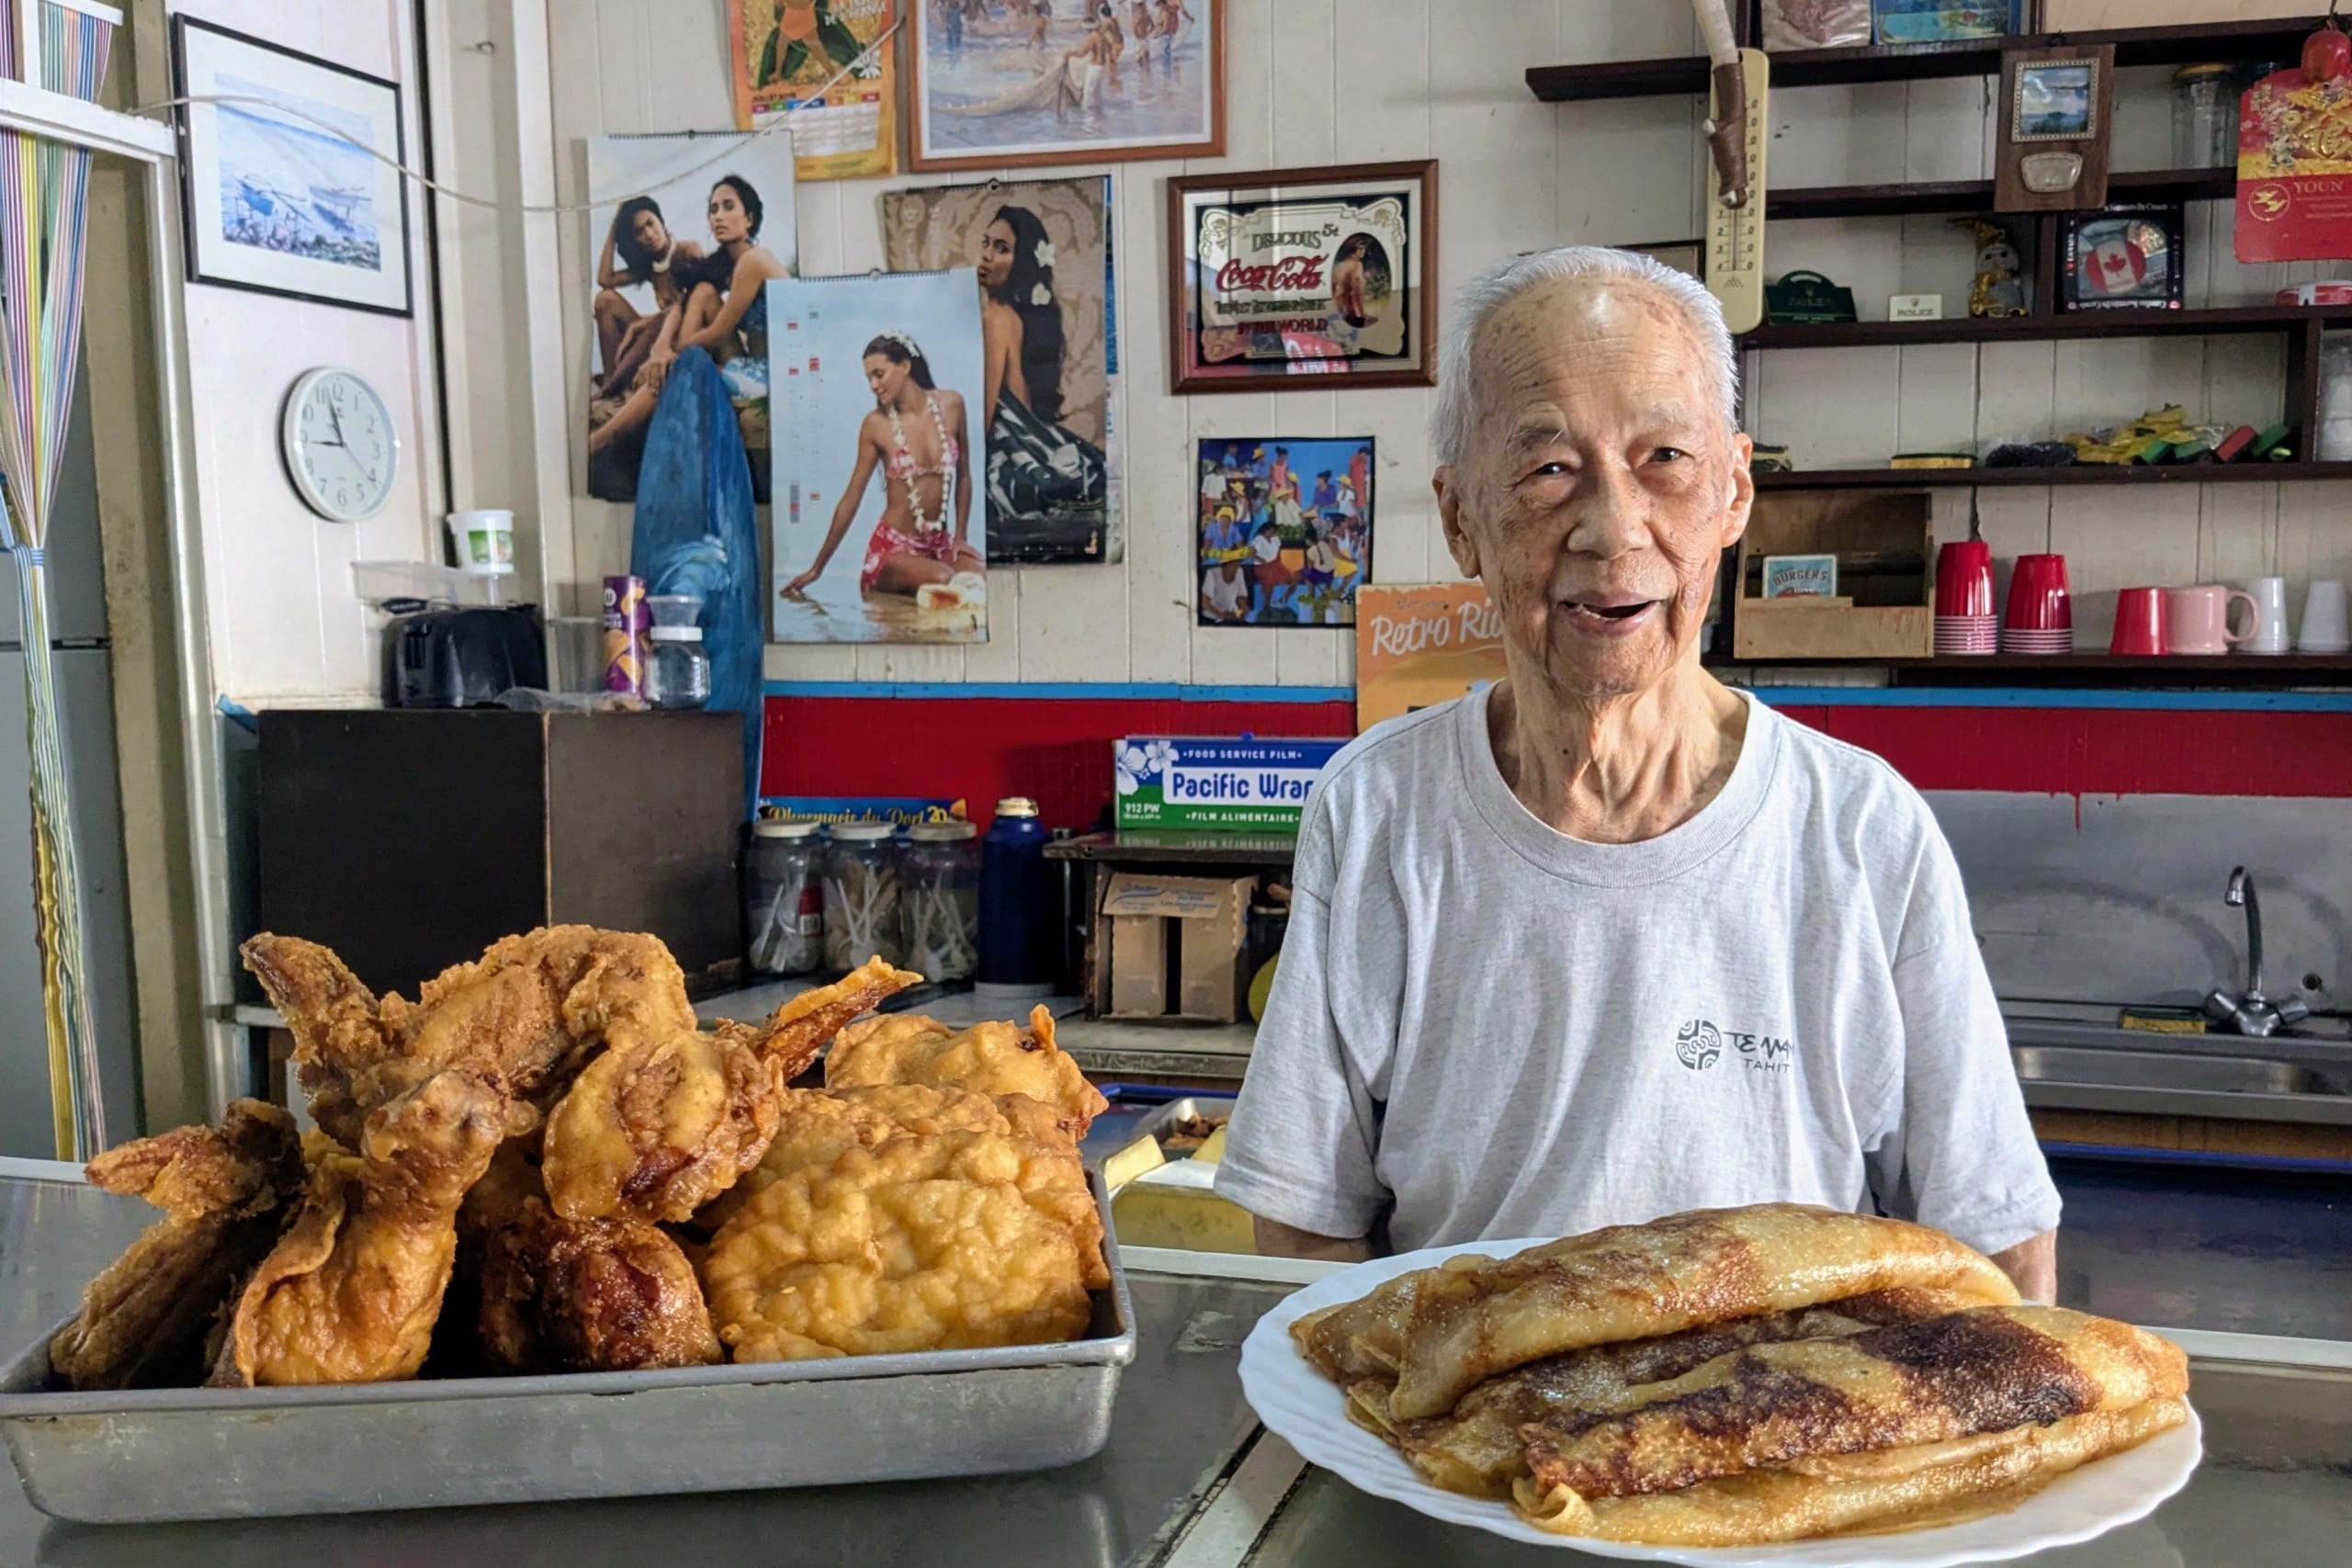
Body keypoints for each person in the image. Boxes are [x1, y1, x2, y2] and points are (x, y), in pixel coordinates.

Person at [1215, 245, 2061, 1303]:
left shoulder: (1858, 828)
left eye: (1664, 458)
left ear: (1734, 491)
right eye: (1547, 470)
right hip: (1468, 1405)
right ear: (1460, 519)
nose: (1613, 529)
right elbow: (1304, 1229)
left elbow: (1997, 1250)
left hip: (1787, 1400)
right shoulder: (1379, 811)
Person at [589, 175, 785, 462]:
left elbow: (718, 332)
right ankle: (625, 396)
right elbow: (686, 301)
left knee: (677, 369)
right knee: (703, 291)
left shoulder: (753, 261)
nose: (719, 216)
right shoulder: (726, 261)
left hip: (771, 375)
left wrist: (670, 355)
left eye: (729, 207)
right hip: (745, 362)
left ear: (749, 218)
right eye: (713, 209)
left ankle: (600, 440)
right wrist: (661, 347)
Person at [781, 333, 981, 599]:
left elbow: (964, 474)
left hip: (939, 546)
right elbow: (851, 500)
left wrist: (961, 536)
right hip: (893, 551)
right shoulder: (876, 425)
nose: (873, 385)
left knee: (980, 575)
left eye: (879, 374)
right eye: (869, 379)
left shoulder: (952, 405)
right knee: (945, 580)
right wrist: (817, 568)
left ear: (905, 366)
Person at [975, 205, 1107, 557]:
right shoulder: (1013, 316)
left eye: (1001, 248)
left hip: (1010, 447)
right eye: (985, 243)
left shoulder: (995, 318)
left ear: (1021, 262)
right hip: (1031, 441)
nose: (986, 255)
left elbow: (984, 414)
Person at [593, 197, 703, 397]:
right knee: (605, 299)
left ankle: (618, 384)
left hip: (683, 335)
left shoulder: (688, 250)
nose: (649, 234)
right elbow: (605, 279)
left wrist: (643, 323)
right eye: (639, 232)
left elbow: (695, 304)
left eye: (651, 223)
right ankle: (611, 379)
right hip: (656, 330)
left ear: (661, 220)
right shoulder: (649, 264)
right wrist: (614, 229)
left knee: (647, 328)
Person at [1332, 233, 1373, 327]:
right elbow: (1356, 289)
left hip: (1344, 307)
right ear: (1353, 250)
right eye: (1360, 249)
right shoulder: (1355, 264)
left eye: (1364, 248)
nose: (1363, 251)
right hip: (1351, 309)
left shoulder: (1347, 263)